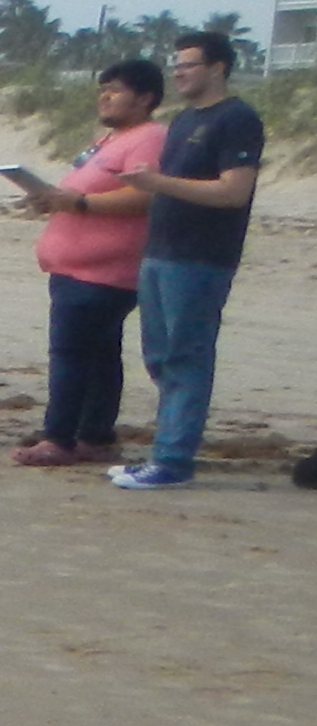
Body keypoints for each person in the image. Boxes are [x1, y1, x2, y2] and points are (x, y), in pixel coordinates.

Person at [109, 31, 269, 488]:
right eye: (176, 64)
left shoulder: (237, 118)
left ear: (217, 67)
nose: (178, 72)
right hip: (161, 252)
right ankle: (165, 451)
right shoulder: (181, 121)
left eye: (189, 64)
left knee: (186, 356)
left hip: (201, 258)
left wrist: (158, 183)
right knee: (160, 357)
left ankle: (174, 460)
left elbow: (233, 190)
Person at [15, 56, 165, 465]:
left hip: (103, 271)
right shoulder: (110, 140)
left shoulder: (149, 137)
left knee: (71, 352)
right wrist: (53, 200)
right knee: (98, 354)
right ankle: (95, 434)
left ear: (145, 98)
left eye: (115, 90)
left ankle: (59, 436)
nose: (105, 97)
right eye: (103, 89)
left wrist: (79, 201)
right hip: (76, 269)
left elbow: (146, 195)